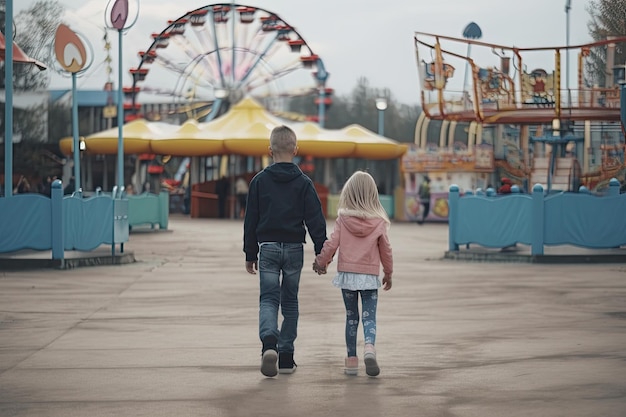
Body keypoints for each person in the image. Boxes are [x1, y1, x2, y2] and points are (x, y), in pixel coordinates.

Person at [243, 125, 328, 377]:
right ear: (296, 150)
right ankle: (287, 357)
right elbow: (316, 220)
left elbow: (251, 220)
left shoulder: (258, 181)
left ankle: (269, 343)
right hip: (293, 249)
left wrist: (250, 254)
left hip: (267, 247)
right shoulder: (304, 183)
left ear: (269, 151)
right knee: (290, 301)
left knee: (269, 299)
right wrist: (322, 255)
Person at [313, 171, 393, 377]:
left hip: (347, 275)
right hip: (369, 277)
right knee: (369, 318)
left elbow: (332, 244)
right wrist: (388, 273)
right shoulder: (379, 222)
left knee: (351, 317)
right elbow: (386, 249)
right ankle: (369, 348)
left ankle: (351, 361)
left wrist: (321, 262)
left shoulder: (343, 219)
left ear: (348, 193)